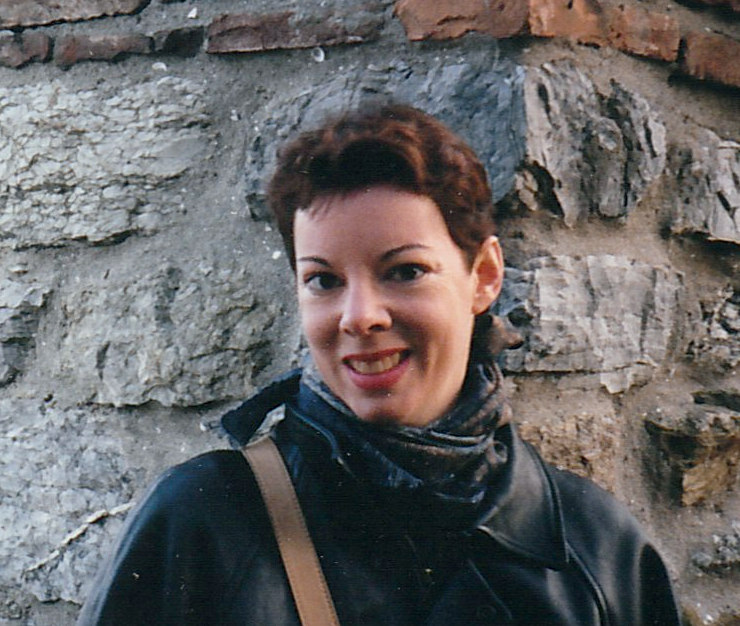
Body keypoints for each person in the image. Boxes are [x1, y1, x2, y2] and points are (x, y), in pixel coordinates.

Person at [78, 103, 681, 625]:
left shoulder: (599, 548)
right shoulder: (204, 519)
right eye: (323, 280)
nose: (360, 316)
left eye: (405, 271)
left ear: (484, 277)